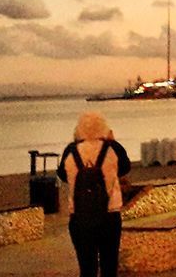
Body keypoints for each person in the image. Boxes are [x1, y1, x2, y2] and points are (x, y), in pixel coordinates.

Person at [57, 112, 129, 277]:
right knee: (109, 265)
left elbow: (62, 175)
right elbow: (125, 168)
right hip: (109, 214)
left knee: (87, 267)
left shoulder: (70, 150)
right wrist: (111, 140)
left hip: (79, 216)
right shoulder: (113, 148)